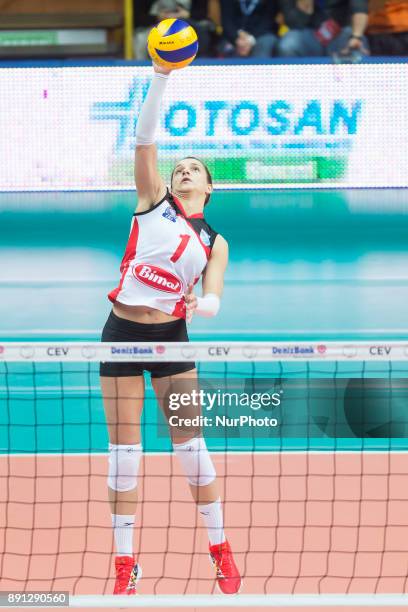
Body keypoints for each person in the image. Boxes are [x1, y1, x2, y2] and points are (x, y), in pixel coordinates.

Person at [99, 59, 242, 596]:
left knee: (191, 449)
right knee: (123, 455)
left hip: (171, 342)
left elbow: (215, 295)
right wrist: (161, 76)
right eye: (178, 166)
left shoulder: (214, 242)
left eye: (194, 168)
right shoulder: (151, 202)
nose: (183, 171)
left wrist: (203, 306)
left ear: (209, 185)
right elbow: (144, 139)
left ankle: (219, 547)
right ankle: (124, 562)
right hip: (119, 335)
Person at [278, 0, 369, 58]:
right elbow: (294, 24)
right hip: (310, 35)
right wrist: (305, 5)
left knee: (357, 47)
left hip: (341, 33)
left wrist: (356, 37)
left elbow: (360, 9)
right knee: (289, 44)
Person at [134, 0, 216, 59]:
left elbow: (202, 13)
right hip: (156, 25)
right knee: (141, 38)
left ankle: (197, 64)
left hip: (187, 23)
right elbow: (138, 18)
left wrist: (187, 14)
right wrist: (159, 17)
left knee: (202, 32)